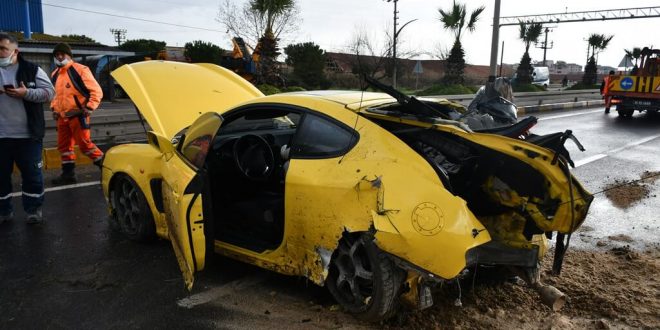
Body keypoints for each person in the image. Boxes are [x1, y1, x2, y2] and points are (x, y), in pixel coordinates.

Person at [0, 33, 55, 224]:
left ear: (15, 51)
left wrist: (26, 93)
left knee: (32, 175)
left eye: (2, 49)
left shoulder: (32, 70)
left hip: (28, 136)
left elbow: (49, 93)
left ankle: (33, 210)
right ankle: (3, 212)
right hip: (1, 137)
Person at [50, 43, 104, 185]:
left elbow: (96, 91)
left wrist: (90, 106)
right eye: (57, 55)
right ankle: (68, 175)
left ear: (69, 55)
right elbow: (56, 96)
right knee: (64, 147)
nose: (59, 57)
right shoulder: (55, 74)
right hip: (62, 117)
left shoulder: (80, 70)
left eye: (62, 54)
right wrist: (54, 109)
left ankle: (107, 169)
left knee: (85, 145)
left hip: (78, 115)